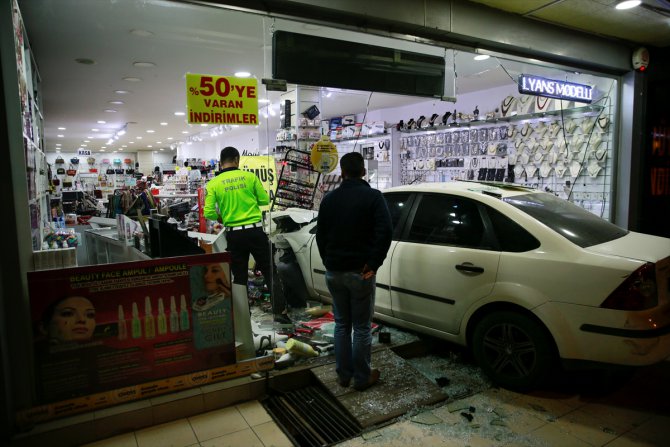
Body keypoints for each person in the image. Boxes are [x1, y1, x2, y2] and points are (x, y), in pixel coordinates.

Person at [316, 152, 393, 391]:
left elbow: (321, 236)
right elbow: (385, 232)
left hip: (334, 272)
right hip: (360, 273)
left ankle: (343, 375)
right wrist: (374, 263)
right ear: (363, 172)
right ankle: (361, 378)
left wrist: (329, 262)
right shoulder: (373, 197)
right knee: (360, 327)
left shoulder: (329, 200)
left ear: (342, 173)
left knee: (341, 324)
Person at [203, 146, 290, 323]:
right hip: (255, 231)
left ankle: (243, 319)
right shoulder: (250, 177)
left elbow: (209, 213)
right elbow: (264, 200)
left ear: (221, 162)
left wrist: (223, 216)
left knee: (239, 277)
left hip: (234, 235)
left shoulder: (213, 184)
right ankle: (280, 314)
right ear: (237, 160)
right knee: (269, 272)